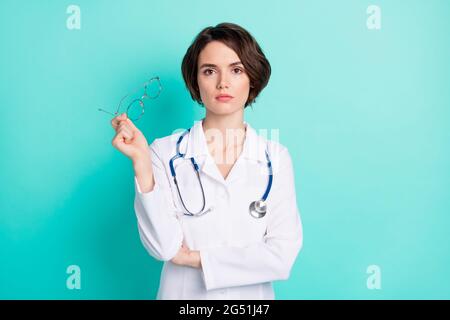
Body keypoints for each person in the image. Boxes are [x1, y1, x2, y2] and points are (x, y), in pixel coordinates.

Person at [111, 22, 303, 300]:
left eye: (236, 70)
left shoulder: (275, 158)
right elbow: (164, 248)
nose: (223, 82)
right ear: (196, 80)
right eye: (209, 71)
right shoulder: (163, 153)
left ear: (252, 78)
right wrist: (141, 161)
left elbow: (281, 257)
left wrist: (197, 259)